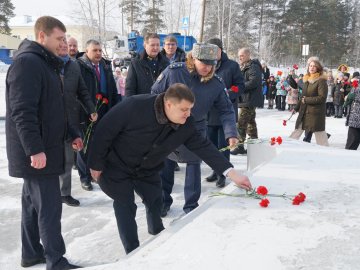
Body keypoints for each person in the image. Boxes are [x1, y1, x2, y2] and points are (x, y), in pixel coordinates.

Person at [88, 83, 252, 254]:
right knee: (125, 205)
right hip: (117, 165)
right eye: (184, 109)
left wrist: (231, 173)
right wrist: (95, 163)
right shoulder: (134, 106)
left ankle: (156, 232)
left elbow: (204, 147)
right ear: (168, 104)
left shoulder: (185, 123)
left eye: (190, 109)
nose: (188, 114)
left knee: (155, 200)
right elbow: (104, 131)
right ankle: (133, 253)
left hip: (147, 169)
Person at [5, 16, 82, 269]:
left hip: (44, 148)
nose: (63, 44)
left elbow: (54, 108)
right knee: (49, 208)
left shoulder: (46, 64)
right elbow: (22, 112)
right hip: (38, 152)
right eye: (59, 39)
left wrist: (72, 132)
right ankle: (56, 260)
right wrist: (34, 150)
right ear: (42, 36)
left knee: (32, 205)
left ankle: (31, 253)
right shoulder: (28, 63)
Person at [151, 43, 238, 216]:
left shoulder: (216, 83)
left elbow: (226, 109)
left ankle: (191, 206)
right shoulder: (175, 71)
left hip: (195, 128)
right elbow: (154, 94)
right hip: (168, 126)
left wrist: (231, 133)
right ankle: (163, 201)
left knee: (193, 166)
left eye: (210, 64)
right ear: (193, 58)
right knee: (166, 164)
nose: (206, 67)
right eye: (203, 62)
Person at [58, 37, 98, 206]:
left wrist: (91, 109)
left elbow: (82, 91)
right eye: (64, 44)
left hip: (69, 120)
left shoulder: (73, 66)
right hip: (49, 121)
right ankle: (48, 193)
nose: (67, 47)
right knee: (49, 162)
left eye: (70, 45)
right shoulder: (47, 65)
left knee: (68, 159)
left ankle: (64, 193)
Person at [76, 39, 119, 191]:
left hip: (104, 108)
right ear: (86, 51)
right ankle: (85, 177)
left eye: (100, 50)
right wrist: (86, 110)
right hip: (85, 112)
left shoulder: (105, 66)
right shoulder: (80, 66)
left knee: (100, 143)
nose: (99, 53)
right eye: (95, 50)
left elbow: (113, 89)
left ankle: (97, 172)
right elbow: (77, 92)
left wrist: (114, 108)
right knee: (85, 144)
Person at [205, 37, 244, 188]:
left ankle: (223, 173)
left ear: (221, 50)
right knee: (212, 146)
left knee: (224, 146)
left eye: (215, 51)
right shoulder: (206, 64)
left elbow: (239, 86)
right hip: (209, 112)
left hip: (224, 113)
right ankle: (215, 170)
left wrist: (228, 94)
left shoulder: (232, 66)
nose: (212, 54)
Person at [289, 58, 329, 146]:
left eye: (314, 66)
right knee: (297, 130)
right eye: (310, 66)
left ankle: (327, 153)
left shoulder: (321, 81)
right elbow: (302, 97)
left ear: (318, 68)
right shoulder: (306, 80)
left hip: (315, 114)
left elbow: (322, 98)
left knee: (320, 135)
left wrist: (307, 100)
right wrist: (296, 108)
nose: (312, 68)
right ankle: (288, 147)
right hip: (304, 112)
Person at [230, 47, 263, 155]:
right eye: (239, 56)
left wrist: (240, 87)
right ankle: (255, 144)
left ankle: (239, 146)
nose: (240, 57)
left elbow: (254, 81)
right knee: (250, 122)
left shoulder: (253, 66)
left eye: (242, 55)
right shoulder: (244, 66)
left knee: (241, 123)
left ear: (248, 55)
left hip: (250, 99)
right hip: (246, 99)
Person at [344, 78, 360, 150]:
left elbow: (353, 96)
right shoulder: (356, 86)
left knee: (353, 140)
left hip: (356, 115)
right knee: (352, 139)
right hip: (354, 114)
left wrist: (353, 97)